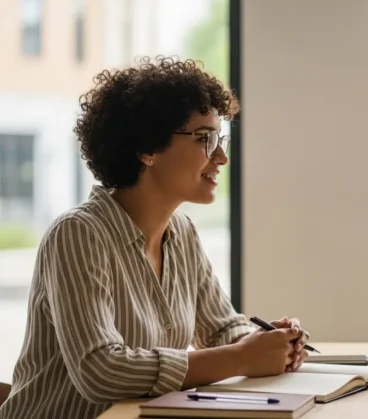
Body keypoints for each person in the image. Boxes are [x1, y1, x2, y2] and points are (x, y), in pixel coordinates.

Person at [0, 57, 311, 419]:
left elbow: (220, 328)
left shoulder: (182, 233)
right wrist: (239, 358)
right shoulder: (77, 234)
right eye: (204, 139)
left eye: (219, 138)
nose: (222, 157)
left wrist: (269, 341)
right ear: (147, 149)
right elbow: (101, 370)